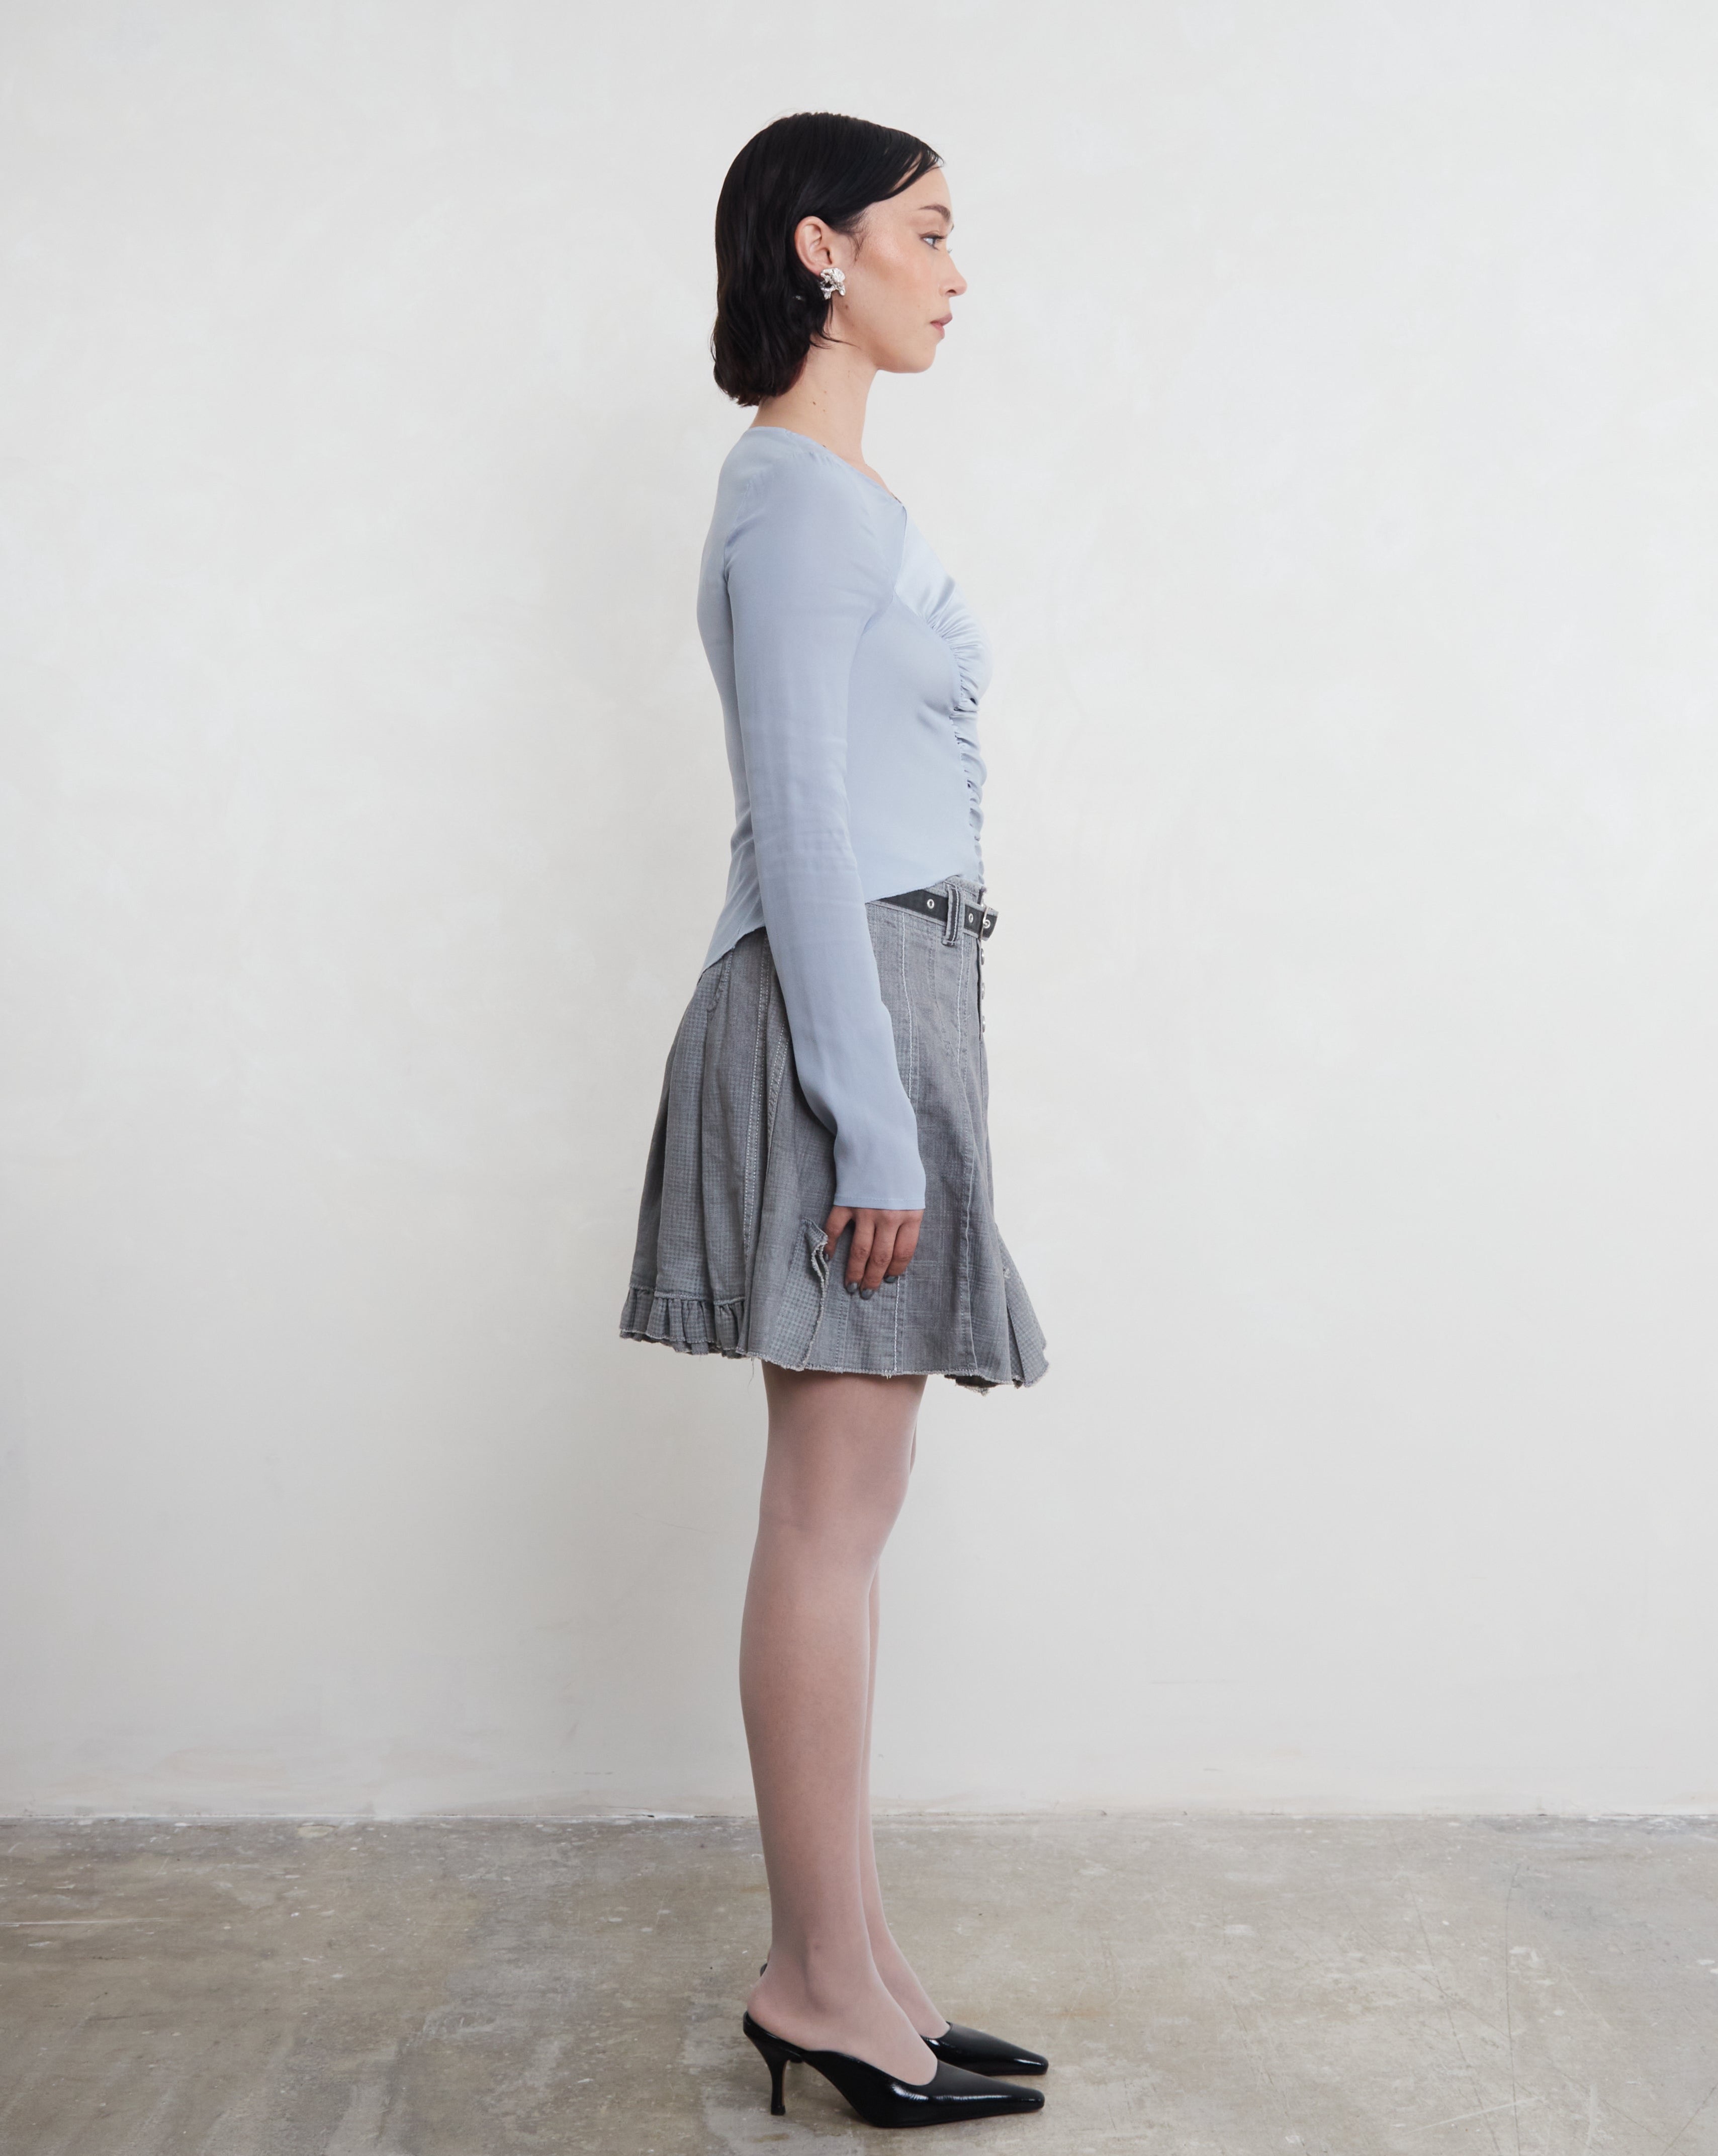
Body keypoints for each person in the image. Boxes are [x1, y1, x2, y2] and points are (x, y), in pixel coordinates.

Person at [620, 110, 1049, 2131]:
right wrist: (869, 1122)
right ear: (826, 249)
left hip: (893, 995)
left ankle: (857, 1958)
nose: (957, 271)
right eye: (931, 232)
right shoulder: (796, 500)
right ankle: (812, 1975)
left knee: (849, 1515)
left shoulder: (837, 495)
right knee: (826, 1509)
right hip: (838, 1010)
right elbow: (797, 823)